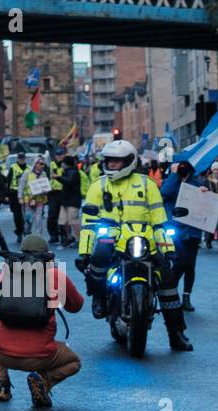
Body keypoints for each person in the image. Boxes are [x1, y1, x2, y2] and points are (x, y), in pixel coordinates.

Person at [76, 139, 192, 351]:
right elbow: (87, 225)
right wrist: (83, 252)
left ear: (129, 162)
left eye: (116, 162)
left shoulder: (147, 184)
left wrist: (169, 249)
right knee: (98, 259)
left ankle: (176, 333)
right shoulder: (98, 186)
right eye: (109, 161)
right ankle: (100, 298)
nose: (111, 165)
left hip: (144, 240)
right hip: (110, 238)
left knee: (167, 281)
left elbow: (159, 222)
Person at [0, 234, 85, 407]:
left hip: (1, 353)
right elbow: (76, 305)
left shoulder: (7, 272)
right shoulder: (54, 275)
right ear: (47, 254)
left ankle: (3, 385)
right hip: (40, 355)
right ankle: (43, 381)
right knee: (74, 362)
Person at [160, 159, 205, 313]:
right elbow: (164, 193)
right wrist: (174, 175)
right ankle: (171, 292)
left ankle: (186, 297)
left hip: (193, 230)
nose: (183, 170)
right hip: (175, 229)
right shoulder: (170, 181)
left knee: (190, 265)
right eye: (181, 168)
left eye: (185, 168)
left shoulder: (196, 183)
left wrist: (205, 193)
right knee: (180, 262)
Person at [20, 156, 50, 238]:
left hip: (39, 200)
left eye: (43, 164)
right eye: (41, 164)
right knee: (29, 219)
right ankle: (27, 233)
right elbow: (21, 186)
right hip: (28, 200)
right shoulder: (27, 173)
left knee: (38, 219)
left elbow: (46, 185)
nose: (42, 165)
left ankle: (39, 237)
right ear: (35, 164)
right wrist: (20, 197)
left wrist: (46, 190)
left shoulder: (44, 174)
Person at [57, 155, 83, 248]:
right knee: (63, 221)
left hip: (73, 201)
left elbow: (69, 182)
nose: (62, 164)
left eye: (63, 163)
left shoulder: (74, 172)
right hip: (65, 200)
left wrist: (58, 177)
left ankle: (79, 240)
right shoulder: (66, 172)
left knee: (73, 221)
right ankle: (69, 237)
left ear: (66, 164)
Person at [6, 151, 28, 243]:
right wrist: (7, 195)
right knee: (17, 215)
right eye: (20, 159)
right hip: (14, 194)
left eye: (23, 158)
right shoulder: (13, 168)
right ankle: (19, 232)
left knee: (27, 215)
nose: (21, 160)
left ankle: (26, 231)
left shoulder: (29, 169)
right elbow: (8, 182)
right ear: (18, 159)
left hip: (25, 194)